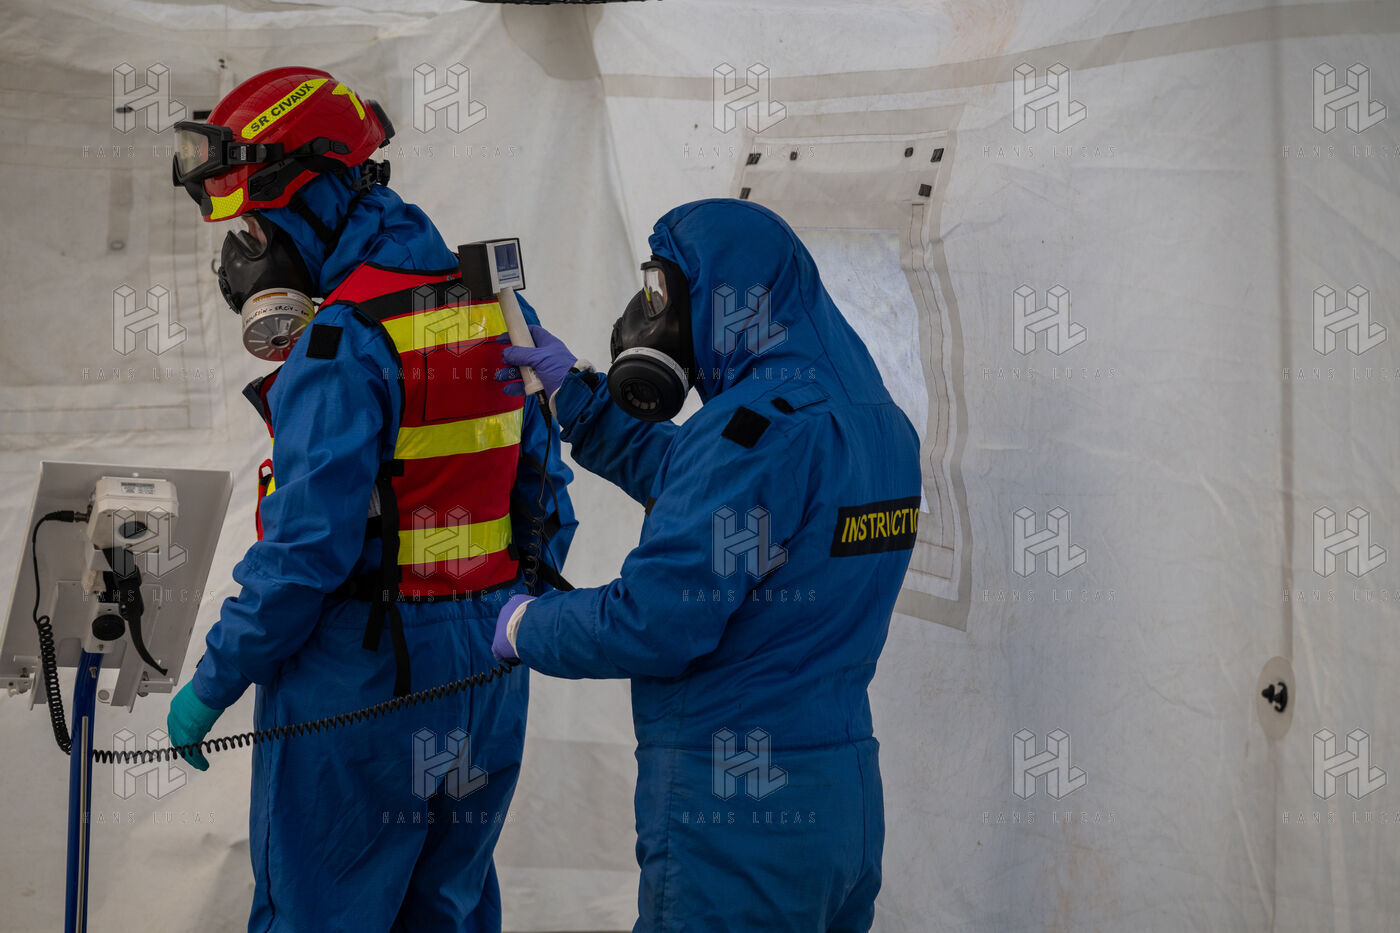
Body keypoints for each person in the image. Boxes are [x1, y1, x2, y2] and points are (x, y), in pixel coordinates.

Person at [164, 66, 575, 932]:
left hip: (362, 679)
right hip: (490, 670)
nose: (246, 253)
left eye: (254, 225)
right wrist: (505, 607)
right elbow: (549, 495)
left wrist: (213, 682)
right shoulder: (495, 304)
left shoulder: (341, 342)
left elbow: (302, 555)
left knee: (322, 911)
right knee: (447, 907)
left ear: (309, 198)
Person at [491, 198, 921, 932]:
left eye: (662, 291)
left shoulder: (749, 434)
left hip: (736, 816)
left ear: (722, 296)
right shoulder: (871, 419)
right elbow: (729, 497)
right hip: (841, 796)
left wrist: (524, 625)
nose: (649, 314)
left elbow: (653, 623)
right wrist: (580, 403)